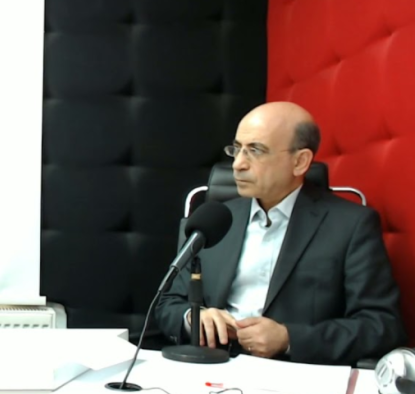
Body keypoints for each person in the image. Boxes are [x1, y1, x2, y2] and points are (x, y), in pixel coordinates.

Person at [155, 101, 407, 366]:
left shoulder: (351, 225)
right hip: (212, 363)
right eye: (237, 149)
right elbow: (167, 303)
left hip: (295, 372)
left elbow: (382, 326)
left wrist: (289, 338)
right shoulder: (215, 220)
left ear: (300, 162)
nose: (238, 164)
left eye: (255, 151)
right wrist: (193, 318)